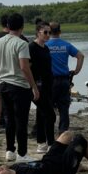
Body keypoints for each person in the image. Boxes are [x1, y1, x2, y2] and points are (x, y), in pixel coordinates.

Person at [0, 13, 39, 163]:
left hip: (3, 85)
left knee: (9, 119)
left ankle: (10, 150)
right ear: (22, 27)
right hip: (19, 86)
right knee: (21, 121)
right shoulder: (22, 43)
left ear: (8, 26)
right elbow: (24, 67)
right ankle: (22, 154)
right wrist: (34, 86)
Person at [46, 22, 84, 133]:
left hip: (50, 80)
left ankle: (48, 130)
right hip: (64, 80)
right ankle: (62, 131)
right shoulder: (66, 45)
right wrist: (76, 71)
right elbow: (80, 56)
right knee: (63, 108)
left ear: (49, 31)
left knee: (48, 107)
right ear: (60, 32)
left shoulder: (45, 45)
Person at [28, 20, 55, 153]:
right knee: (50, 114)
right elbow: (27, 68)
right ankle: (50, 143)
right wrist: (33, 86)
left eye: (50, 32)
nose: (48, 35)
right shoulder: (31, 47)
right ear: (38, 32)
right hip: (37, 85)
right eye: (45, 32)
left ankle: (41, 143)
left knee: (41, 114)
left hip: (48, 84)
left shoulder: (46, 47)